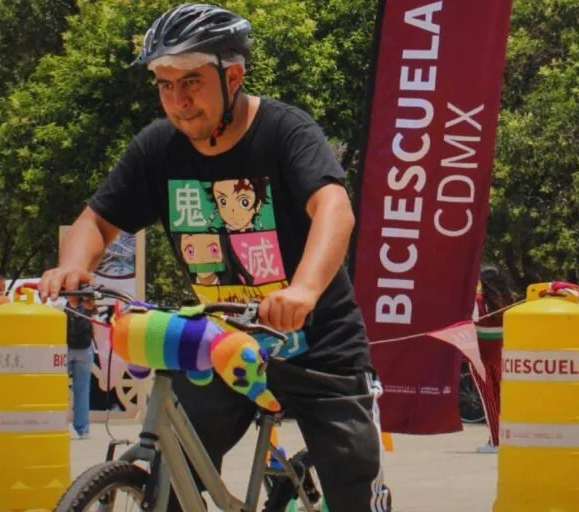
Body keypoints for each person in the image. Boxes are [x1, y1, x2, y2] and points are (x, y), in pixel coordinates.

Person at [38, 4, 392, 511]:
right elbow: (96, 220)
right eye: (165, 85)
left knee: (352, 481)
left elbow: (333, 208)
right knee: (172, 476)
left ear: (233, 77)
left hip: (318, 344)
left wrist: (304, 290)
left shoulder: (285, 131)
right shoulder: (157, 149)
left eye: (191, 82)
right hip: (222, 344)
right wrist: (75, 266)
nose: (178, 101)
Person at [470, 265, 516, 454]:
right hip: (503, 354)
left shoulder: (476, 301)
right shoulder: (510, 300)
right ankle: (509, 438)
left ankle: (496, 441)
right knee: (504, 399)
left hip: (481, 356)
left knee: (489, 400)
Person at [64, 295, 96, 439]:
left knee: (59, 389)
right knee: (82, 390)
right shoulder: (88, 303)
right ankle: (83, 429)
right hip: (84, 349)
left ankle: (59, 424)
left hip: (66, 348)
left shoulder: (61, 303)